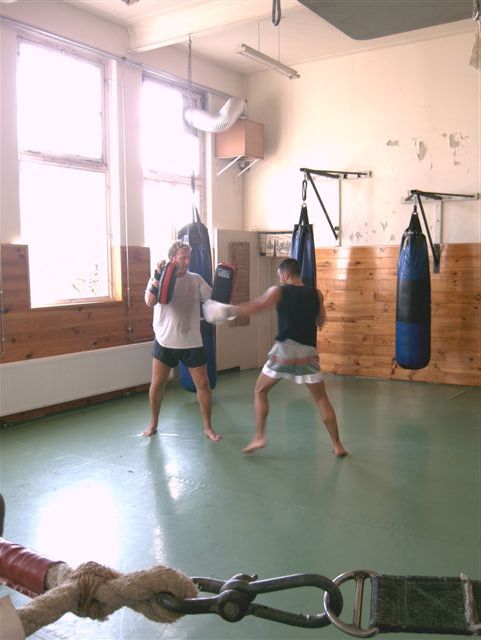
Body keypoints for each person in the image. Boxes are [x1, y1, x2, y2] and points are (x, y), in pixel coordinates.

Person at [206, 257, 347, 456]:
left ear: (286, 274)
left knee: (260, 391)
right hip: (308, 354)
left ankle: (259, 437)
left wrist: (227, 310)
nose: (279, 279)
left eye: (280, 275)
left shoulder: (278, 291)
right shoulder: (316, 294)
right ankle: (337, 445)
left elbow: (256, 307)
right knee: (321, 398)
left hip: (284, 352)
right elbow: (321, 321)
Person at [143, 241, 221, 442]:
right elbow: (150, 302)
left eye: (189, 257)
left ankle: (208, 428)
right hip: (165, 340)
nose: (187, 262)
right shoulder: (158, 278)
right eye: (182, 258)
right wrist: (157, 276)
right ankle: (153, 423)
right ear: (172, 259)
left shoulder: (195, 280)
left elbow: (213, 298)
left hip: (191, 341)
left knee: (203, 384)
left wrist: (226, 287)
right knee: (157, 384)